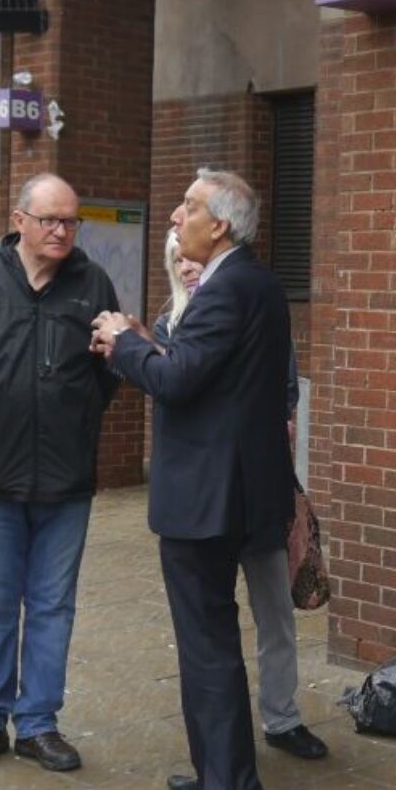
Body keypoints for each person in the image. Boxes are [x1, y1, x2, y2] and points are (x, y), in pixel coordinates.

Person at [91, 169, 292, 790]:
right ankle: (217, 768)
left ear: (222, 225)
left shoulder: (222, 291)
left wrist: (123, 343)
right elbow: (213, 378)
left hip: (207, 500)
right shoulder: (258, 283)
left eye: (189, 207)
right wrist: (149, 344)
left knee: (206, 644)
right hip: (240, 491)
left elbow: (176, 382)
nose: (176, 217)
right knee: (213, 640)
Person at [0, 174, 121, 777]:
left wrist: (77, 415)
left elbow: (107, 372)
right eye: (50, 220)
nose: (62, 231)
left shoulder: (91, 282)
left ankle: (38, 725)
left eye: (71, 221)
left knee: (52, 605)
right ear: (20, 220)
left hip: (66, 480)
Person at [158, 230, 327, 761]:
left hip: (257, 494)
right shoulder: (168, 328)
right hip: (208, 502)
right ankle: (222, 749)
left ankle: (282, 716)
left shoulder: (248, 309)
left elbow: (283, 391)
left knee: (273, 608)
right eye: (177, 260)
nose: (187, 267)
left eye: (192, 257)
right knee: (211, 627)